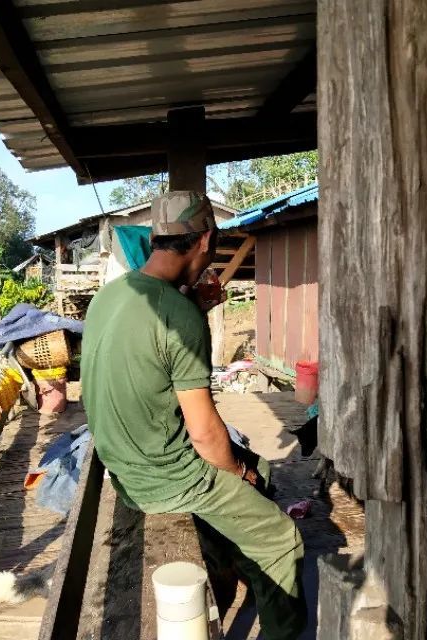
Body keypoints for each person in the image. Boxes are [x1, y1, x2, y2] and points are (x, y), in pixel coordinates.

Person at [81, 191, 306, 639]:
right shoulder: (178, 315)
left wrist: (192, 306)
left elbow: (149, 349)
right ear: (205, 241)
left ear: (156, 238)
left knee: (260, 472)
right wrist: (238, 471)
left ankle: (230, 559)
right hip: (167, 478)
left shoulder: (111, 296)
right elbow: (205, 436)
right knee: (283, 538)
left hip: (122, 464)